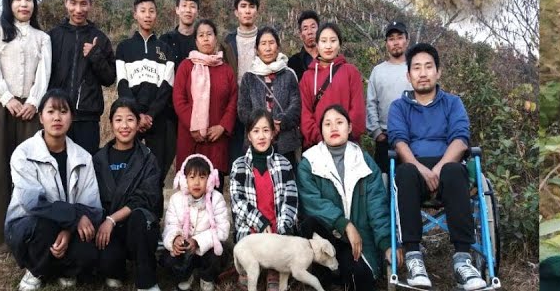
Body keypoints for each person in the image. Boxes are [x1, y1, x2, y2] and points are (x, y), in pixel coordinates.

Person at [387, 43, 487, 291]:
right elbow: (399, 141)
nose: (423, 73)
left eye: (428, 67)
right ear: (408, 75)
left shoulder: (453, 103)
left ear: (438, 72)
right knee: (405, 172)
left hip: (448, 166)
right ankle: (413, 256)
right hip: (414, 169)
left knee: (455, 170)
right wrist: (421, 168)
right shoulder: (398, 107)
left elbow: (460, 139)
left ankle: (463, 260)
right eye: (417, 68)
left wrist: (441, 166)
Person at [0, 0, 53, 251]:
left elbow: (43, 75)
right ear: (9, 2)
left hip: (30, 113)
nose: (24, 4)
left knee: (30, 174)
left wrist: (33, 102)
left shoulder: (42, 38)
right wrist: (7, 97)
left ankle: (27, 236)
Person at [7, 89, 105, 291]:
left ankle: (64, 270)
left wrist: (69, 230)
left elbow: (93, 208)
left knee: (88, 247)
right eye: (51, 111)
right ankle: (36, 270)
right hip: (28, 225)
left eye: (63, 111)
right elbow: (32, 202)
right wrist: (75, 217)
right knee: (43, 227)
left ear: (72, 118)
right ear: (41, 117)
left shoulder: (83, 158)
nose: (57, 118)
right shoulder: (23, 154)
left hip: (67, 226)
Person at [298, 105, 392, 291]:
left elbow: (377, 206)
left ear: (349, 128)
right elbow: (312, 203)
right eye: (328, 124)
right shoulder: (309, 162)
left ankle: (344, 276)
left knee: (360, 276)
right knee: (309, 222)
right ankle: (326, 275)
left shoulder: (364, 161)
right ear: (321, 130)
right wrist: (345, 224)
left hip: (359, 239)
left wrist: (386, 243)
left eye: (339, 122)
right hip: (326, 237)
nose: (333, 128)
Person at [93, 99, 163, 291]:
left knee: (141, 218)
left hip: (135, 225)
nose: (124, 126)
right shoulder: (98, 159)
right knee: (108, 264)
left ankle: (147, 282)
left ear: (138, 123)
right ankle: (117, 268)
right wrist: (105, 221)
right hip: (108, 230)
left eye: (130, 119)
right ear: (111, 123)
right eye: (118, 120)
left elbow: (147, 197)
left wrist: (112, 219)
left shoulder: (147, 157)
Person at [229, 110, 300, 291]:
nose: (261, 136)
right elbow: (238, 203)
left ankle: (273, 271)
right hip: (251, 230)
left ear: (273, 134)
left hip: (277, 232)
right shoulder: (239, 166)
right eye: (256, 131)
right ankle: (248, 268)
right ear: (249, 136)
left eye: (266, 130)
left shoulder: (284, 164)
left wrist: (281, 233)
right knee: (250, 253)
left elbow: (290, 201)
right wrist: (260, 223)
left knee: (279, 251)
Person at [114, 0, 175, 199]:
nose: (147, 15)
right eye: (143, 11)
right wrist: (136, 115)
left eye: (151, 11)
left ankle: (154, 221)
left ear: (156, 15)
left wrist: (150, 115)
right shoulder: (124, 48)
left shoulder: (165, 49)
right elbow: (122, 83)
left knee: (155, 173)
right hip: (132, 120)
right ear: (135, 15)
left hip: (157, 120)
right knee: (130, 170)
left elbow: (167, 86)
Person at [48, 0, 115, 155]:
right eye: (73, 3)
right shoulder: (53, 37)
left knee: (86, 167)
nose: (78, 9)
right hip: (57, 115)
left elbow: (109, 79)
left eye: (83, 4)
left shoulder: (99, 38)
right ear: (66, 3)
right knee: (57, 167)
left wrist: (95, 55)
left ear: (90, 4)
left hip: (87, 117)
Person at [173, 19, 237, 177]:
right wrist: (194, 126)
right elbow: (179, 100)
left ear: (215, 38)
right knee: (190, 191)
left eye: (209, 34)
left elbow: (233, 100)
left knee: (214, 193)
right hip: (190, 138)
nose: (206, 38)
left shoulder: (226, 70)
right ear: (196, 41)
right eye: (201, 35)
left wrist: (222, 126)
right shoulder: (186, 67)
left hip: (217, 140)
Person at [163, 154, 230, 291]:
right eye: (192, 177)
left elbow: (222, 230)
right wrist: (175, 238)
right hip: (186, 249)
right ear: (184, 179)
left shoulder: (216, 199)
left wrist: (198, 241)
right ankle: (185, 275)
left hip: (207, 249)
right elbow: (171, 224)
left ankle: (207, 277)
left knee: (219, 255)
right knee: (167, 259)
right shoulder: (176, 199)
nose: (197, 182)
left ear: (210, 180)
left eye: (202, 177)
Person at [238, 27, 302, 163]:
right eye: (263, 43)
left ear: (278, 46)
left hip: (285, 142)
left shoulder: (289, 74)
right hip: (257, 142)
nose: (268, 48)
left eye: (271, 43)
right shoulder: (249, 77)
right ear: (257, 49)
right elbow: (243, 110)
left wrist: (281, 122)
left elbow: (296, 104)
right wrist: (263, 126)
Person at [299, 22, 365, 149]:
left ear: (339, 44)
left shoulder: (351, 72)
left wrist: (344, 136)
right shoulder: (308, 76)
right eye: (323, 41)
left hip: (348, 145)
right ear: (317, 45)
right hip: (317, 147)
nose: (328, 46)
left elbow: (358, 111)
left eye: (333, 40)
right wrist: (320, 138)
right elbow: (305, 114)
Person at [366, 21, 412, 173]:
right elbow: (370, 103)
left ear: (407, 40)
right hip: (385, 138)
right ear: (386, 43)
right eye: (391, 39)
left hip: (413, 137)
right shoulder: (378, 71)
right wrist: (377, 133)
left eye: (399, 37)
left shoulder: (416, 68)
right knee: (384, 184)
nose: (396, 42)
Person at [224, 0, 262, 162]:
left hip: (260, 104)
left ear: (257, 11)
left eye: (251, 7)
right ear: (236, 12)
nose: (247, 11)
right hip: (234, 103)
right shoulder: (227, 42)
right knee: (236, 154)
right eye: (243, 6)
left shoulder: (265, 39)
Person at [161, 0, 201, 64]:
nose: (188, 10)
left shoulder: (203, 41)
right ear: (177, 10)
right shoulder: (165, 41)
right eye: (184, 5)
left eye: (192, 6)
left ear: (197, 12)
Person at [286, 10, 321, 81]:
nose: (310, 32)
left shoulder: (330, 58)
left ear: (320, 30)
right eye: (305, 29)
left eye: (313, 27)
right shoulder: (293, 62)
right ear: (300, 35)